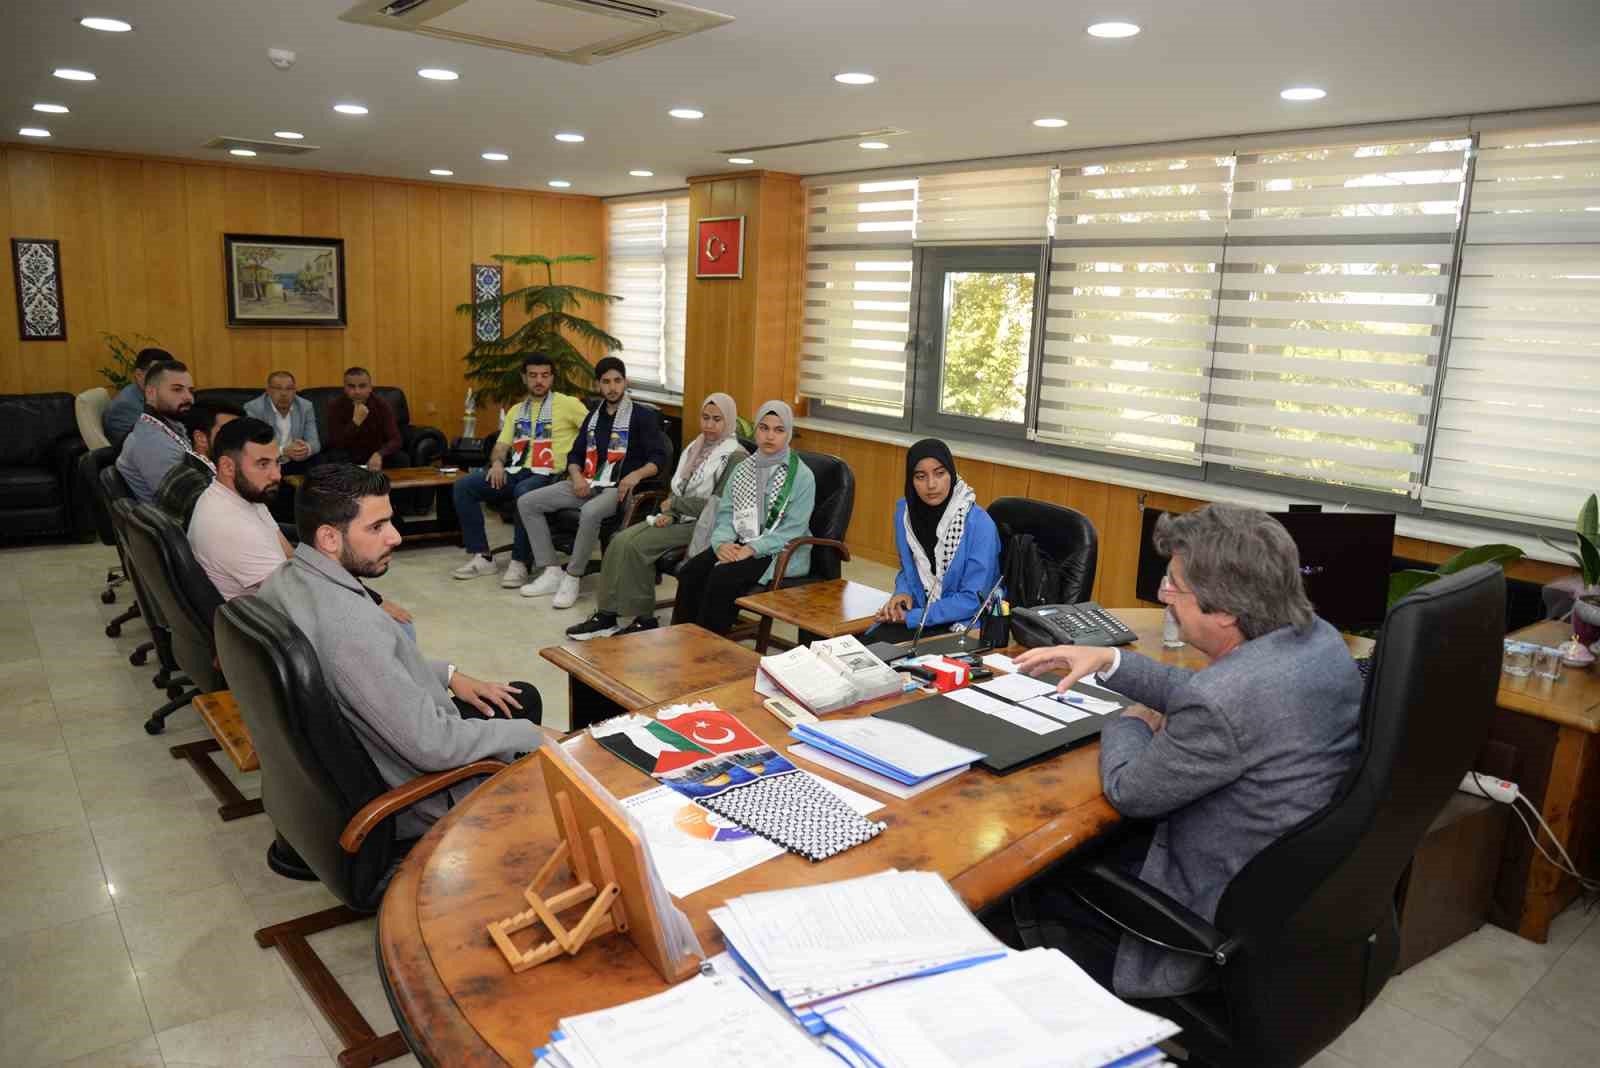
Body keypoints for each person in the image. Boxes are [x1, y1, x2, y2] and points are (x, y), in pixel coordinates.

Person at [1008, 503, 1363, 999]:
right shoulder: (1318, 642)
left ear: (1226, 609)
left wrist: (1131, 720)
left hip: (1203, 907)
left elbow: (1130, 791)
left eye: (1175, 586)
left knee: (1025, 882)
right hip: (1286, 894)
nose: (1164, 598)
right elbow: (1214, 695)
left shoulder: (1224, 699)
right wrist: (1109, 661)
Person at [255, 465, 542, 838]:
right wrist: (533, 735)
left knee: (517, 698)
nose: (395, 537)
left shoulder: (284, 580)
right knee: (529, 723)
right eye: (377, 527)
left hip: (355, 762)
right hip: (416, 796)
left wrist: (451, 676)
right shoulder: (351, 626)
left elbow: (371, 668)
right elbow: (434, 747)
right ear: (329, 538)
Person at [567, 393, 747, 640]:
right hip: (679, 517)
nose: (709, 425)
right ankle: (606, 615)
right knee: (619, 540)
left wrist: (675, 506)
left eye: (717, 419)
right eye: (705, 417)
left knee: (636, 545)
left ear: (730, 421)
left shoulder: (736, 457)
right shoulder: (696, 447)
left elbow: (719, 507)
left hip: (707, 527)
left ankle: (645, 619)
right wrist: (671, 514)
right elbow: (679, 489)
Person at [517, 356, 668, 609]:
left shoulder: (642, 416)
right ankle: (552, 571)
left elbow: (658, 458)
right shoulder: (593, 417)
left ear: (625, 382)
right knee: (527, 502)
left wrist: (636, 475)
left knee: (589, 511)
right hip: (586, 482)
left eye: (617, 381)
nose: (612, 387)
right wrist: (576, 477)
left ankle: (572, 577)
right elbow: (575, 455)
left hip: (618, 488)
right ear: (598, 385)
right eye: (606, 382)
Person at [670, 401, 815, 636]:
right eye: (764, 428)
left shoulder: (802, 476)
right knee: (691, 571)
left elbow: (793, 529)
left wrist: (753, 548)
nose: (770, 436)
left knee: (722, 578)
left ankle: (709, 648)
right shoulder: (743, 468)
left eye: (779, 430)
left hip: (777, 549)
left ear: (788, 433)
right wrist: (722, 543)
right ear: (756, 430)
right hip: (740, 539)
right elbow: (727, 513)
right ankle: (682, 640)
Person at [449, 354, 588, 588]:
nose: (539, 381)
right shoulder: (517, 410)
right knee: (465, 486)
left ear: (552, 378)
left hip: (550, 474)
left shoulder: (569, 405)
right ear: (524, 378)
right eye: (533, 375)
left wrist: (578, 469)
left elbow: (594, 435)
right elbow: (501, 446)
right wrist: (497, 464)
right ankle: (482, 556)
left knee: (524, 490)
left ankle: (521, 562)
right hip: (517, 469)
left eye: (544, 375)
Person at [869, 439, 1001, 643]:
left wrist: (914, 617)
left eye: (939, 473)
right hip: (921, 610)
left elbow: (973, 599)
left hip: (964, 622)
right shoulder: (906, 514)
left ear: (952, 474)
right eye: (920, 477)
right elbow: (909, 568)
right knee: (870, 645)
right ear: (911, 480)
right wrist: (903, 592)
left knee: (904, 658)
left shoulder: (979, 524)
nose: (931, 485)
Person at [188, 417, 294, 600]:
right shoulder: (231, 526)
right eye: (263, 464)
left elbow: (288, 553)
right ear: (227, 467)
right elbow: (295, 594)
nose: (276, 475)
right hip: (272, 614)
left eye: (277, 462)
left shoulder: (247, 494)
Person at [115, 360, 201, 503]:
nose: (189, 397)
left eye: (190, 391)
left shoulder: (169, 424)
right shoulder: (152, 443)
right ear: (151, 393)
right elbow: (190, 501)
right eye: (177, 389)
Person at [154, 403, 242, 525]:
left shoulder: (188, 468)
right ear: (201, 438)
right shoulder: (201, 485)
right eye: (229, 432)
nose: (241, 441)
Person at [324, 366, 407, 470]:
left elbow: (396, 439)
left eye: (362, 386)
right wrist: (355, 422)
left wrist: (379, 454)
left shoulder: (381, 405)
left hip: (375, 453)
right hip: (348, 455)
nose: (357, 391)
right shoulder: (335, 406)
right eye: (351, 386)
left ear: (370, 388)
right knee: (334, 457)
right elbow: (336, 443)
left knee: (401, 458)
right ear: (345, 388)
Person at [244, 370, 321, 473]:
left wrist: (306, 449)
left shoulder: (305, 407)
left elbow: (315, 442)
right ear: (268, 391)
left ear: (295, 390)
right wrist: (283, 451)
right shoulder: (254, 408)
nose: (284, 394)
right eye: (278, 388)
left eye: (289, 389)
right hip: (268, 461)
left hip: (296, 461)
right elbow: (255, 446)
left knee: (319, 462)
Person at [103, 347, 172, 447]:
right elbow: (145, 447)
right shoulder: (124, 407)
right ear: (139, 375)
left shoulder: (150, 395)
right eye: (158, 374)